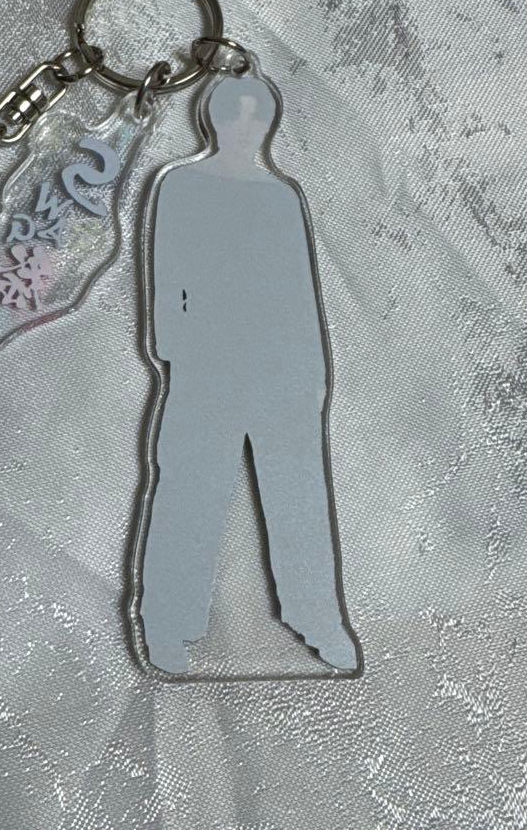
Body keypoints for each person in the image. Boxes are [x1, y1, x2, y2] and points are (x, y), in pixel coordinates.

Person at [138, 71, 359, 674]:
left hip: (281, 371)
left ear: (267, 123)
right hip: (206, 370)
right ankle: (166, 625)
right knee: (189, 492)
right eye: (231, 113)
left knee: (299, 496)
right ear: (212, 118)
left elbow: (300, 291)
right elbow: (168, 279)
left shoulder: (281, 197)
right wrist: (177, 353)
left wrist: (314, 375)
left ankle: (318, 618)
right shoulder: (181, 185)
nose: (243, 125)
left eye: (253, 114)